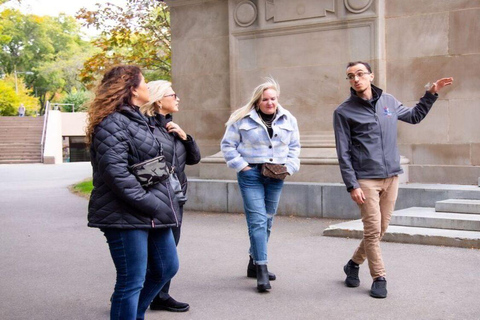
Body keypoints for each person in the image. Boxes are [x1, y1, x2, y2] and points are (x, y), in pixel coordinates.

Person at [333, 61, 453, 299]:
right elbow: (343, 152)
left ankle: (353, 264)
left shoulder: (388, 101)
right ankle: (379, 277)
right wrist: (351, 184)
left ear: (370, 75)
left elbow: (414, 116)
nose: (356, 79)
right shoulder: (343, 111)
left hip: (391, 176)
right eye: (350, 76)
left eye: (359, 74)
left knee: (381, 229)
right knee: (372, 230)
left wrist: (431, 94)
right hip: (366, 179)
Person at [86, 65, 181, 319]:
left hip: (150, 211)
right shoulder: (112, 123)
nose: (147, 86)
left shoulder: (138, 119)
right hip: (125, 213)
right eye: (144, 82)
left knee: (166, 268)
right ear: (132, 89)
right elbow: (115, 173)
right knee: (131, 280)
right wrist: (149, 203)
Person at [220, 78, 300, 292]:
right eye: (265, 99)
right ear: (257, 101)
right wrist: (243, 167)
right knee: (257, 220)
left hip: (276, 175)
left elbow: (294, 147)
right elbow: (227, 145)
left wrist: (290, 167)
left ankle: (253, 263)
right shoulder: (242, 118)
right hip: (251, 175)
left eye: (273, 98)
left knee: (267, 220)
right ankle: (262, 269)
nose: (270, 103)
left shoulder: (288, 118)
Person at [140, 80, 201, 312]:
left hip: (176, 196)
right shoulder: (146, 128)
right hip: (157, 197)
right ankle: (139, 295)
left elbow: (194, 159)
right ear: (158, 100)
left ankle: (160, 295)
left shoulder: (171, 127)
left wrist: (185, 137)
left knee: (170, 246)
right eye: (172, 94)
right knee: (154, 250)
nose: (177, 98)